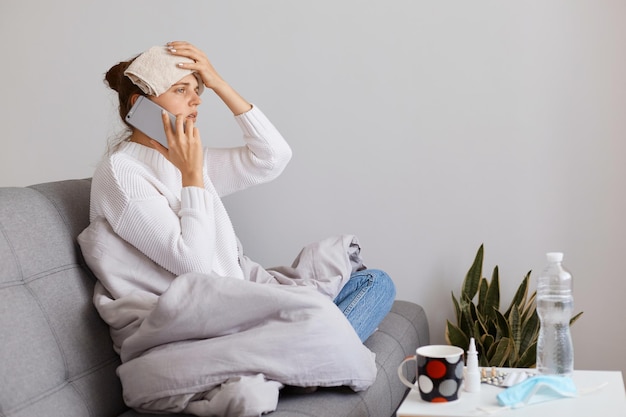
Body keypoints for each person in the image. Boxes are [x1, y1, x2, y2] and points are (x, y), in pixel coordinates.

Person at [90, 41, 394, 350]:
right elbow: (193, 262)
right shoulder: (122, 172)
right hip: (213, 321)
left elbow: (272, 158)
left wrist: (218, 82)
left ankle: (312, 351)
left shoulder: (188, 161)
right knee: (343, 306)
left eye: (198, 89)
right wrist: (192, 176)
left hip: (244, 301)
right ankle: (314, 353)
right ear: (138, 105)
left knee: (375, 283)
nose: (196, 100)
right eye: (181, 90)